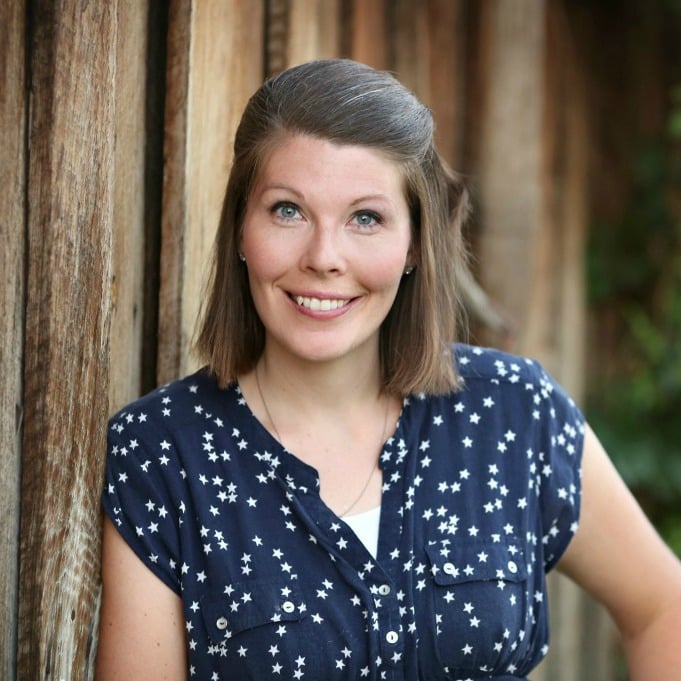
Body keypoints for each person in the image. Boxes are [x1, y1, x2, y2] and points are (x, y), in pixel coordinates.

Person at [96, 59, 681, 681]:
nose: (324, 257)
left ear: (413, 246)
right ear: (241, 228)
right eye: (288, 210)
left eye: (366, 218)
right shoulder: (163, 454)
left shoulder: (512, 412)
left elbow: (662, 606)